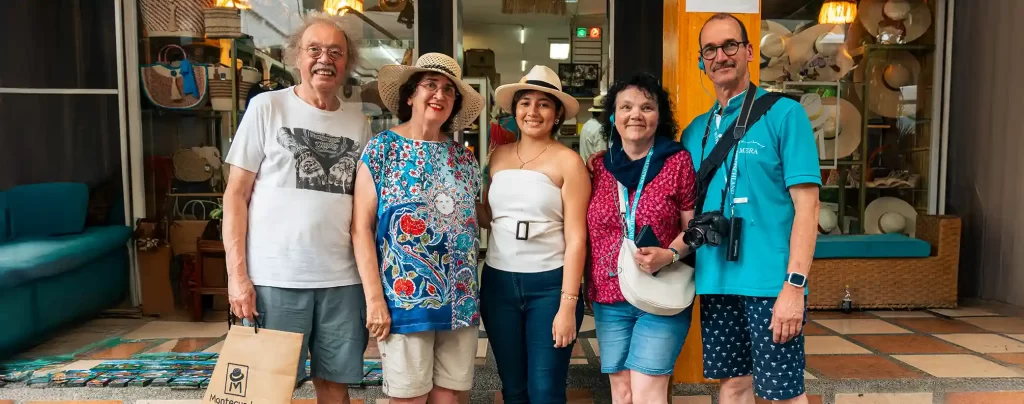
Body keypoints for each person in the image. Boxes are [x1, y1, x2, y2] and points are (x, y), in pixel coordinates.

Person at [222, 11, 369, 404]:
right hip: (275, 278)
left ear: (347, 63)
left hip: (343, 280)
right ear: (296, 57)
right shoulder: (266, 108)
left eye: (336, 52)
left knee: (336, 387)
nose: (325, 59)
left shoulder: (359, 124)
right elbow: (235, 194)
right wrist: (238, 278)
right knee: (266, 391)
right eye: (315, 49)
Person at [679, 13, 821, 404]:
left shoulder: (784, 114)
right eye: (710, 49)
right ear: (700, 60)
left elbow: (808, 209)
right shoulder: (694, 131)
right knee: (734, 385)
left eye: (730, 46)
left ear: (748, 52)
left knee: (783, 393)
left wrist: (794, 286)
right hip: (716, 280)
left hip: (771, 284)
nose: (721, 56)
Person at [351, 53, 485, 404]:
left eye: (448, 90)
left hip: (461, 298)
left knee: (450, 397)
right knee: (408, 397)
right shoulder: (383, 149)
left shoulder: (463, 158)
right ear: (410, 94)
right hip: (405, 298)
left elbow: (477, 215)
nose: (439, 95)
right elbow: (360, 229)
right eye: (430, 85)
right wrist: (374, 298)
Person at [478, 65, 588, 403]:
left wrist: (568, 305)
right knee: (513, 388)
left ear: (556, 114)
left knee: (545, 390)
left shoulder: (569, 162)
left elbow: (577, 238)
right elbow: (489, 218)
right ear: (515, 110)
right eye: (525, 102)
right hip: (498, 284)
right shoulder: (496, 156)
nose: (533, 111)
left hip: (550, 287)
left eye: (544, 104)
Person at [586, 72, 698, 404]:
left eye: (647, 107)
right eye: (626, 107)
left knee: (648, 390)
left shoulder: (677, 162)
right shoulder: (598, 168)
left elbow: (694, 229)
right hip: (609, 294)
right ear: (613, 116)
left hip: (660, 292)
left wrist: (671, 254)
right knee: (621, 390)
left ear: (659, 117)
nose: (636, 114)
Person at [578, 94, 607, 160]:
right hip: (595, 168)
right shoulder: (600, 129)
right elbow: (601, 154)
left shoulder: (586, 124)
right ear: (602, 113)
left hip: (585, 165)